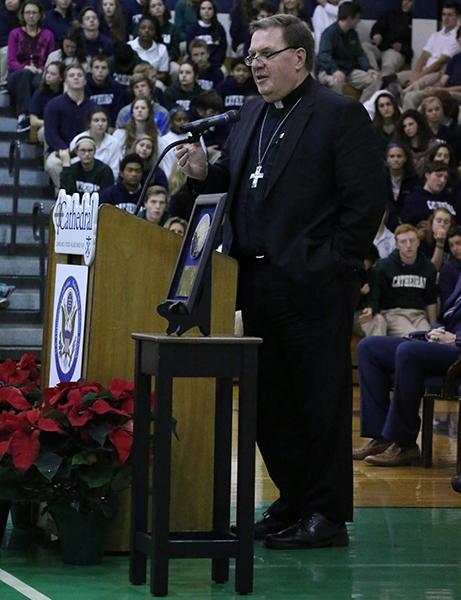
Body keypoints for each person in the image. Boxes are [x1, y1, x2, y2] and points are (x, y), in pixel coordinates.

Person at [176, 14, 385, 549]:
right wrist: (205, 172)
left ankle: (327, 515)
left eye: (267, 54)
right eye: (251, 55)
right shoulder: (250, 114)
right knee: (270, 404)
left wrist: (335, 265)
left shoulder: (339, 115)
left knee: (319, 401)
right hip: (256, 281)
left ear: (299, 57)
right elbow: (241, 184)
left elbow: (366, 201)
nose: (256, 64)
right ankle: (293, 500)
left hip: (314, 284)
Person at [353, 273, 461, 467]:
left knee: (408, 351)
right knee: (368, 347)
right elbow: (446, 315)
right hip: (443, 341)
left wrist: (455, 340)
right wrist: (436, 329)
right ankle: (381, 437)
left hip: (457, 350)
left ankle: (405, 443)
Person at [359, 224, 438, 338]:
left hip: (419, 315)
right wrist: (371, 307)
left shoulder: (428, 267)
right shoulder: (384, 266)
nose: (408, 245)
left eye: (412, 240)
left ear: (418, 242)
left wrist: (434, 325)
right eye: (403, 242)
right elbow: (375, 293)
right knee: (414, 337)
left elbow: (431, 299)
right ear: (396, 244)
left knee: (431, 339)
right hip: (393, 313)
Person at [398, 2, 460, 111]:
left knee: (416, 87)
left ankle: (410, 117)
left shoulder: (456, 37)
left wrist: (418, 77)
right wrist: (415, 73)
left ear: (457, 17)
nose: (446, 18)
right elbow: (423, 56)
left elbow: (440, 63)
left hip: (436, 72)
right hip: (425, 71)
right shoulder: (436, 35)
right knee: (394, 78)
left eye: (450, 15)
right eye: (444, 14)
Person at [317, 1, 381, 103]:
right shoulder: (330, 33)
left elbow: (359, 54)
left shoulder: (353, 34)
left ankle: (362, 110)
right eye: (357, 18)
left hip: (348, 70)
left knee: (375, 80)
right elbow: (323, 55)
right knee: (336, 83)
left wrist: (368, 68)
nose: (358, 21)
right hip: (329, 71)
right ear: (349, 18)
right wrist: (335, 70)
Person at [44, 63, 96, 189]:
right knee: (51, 164)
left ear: (85, 80)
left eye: (79, 75)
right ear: (65, 80)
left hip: (88, 149)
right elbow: (50, 133)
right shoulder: (54, 104)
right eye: (72, 75)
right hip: (63, 150)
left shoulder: (93, 107)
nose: (76, 78)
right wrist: (64, 150)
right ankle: (65, 193)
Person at [7, 0, 55, 132]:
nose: (31, 16)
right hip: (17, 75)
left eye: (34, 12)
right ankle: (23, 115)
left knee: (41, 81)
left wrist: (41, 70)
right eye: (27, 12)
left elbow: (51, 59)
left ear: (40, 15)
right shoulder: (14, 34)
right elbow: (11, 61)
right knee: (26, 74)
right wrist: (25, 68)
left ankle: (40, 117)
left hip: (40, 73)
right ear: (22, 15)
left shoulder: (48, 34)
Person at [362, 0, 413, 77]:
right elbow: (377, 26)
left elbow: (415, 48)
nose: (405, 3)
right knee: (364, 46)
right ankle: (374, 74)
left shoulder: (416, 21)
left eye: (410, 1)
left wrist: (402, 47)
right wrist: (377, 34)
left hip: (396, 52)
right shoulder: (391, 14)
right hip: (381, 47)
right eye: (404, 0)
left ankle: (382, 80)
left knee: (388, 66)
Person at [69, 106, 120, 177]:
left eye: (104, 120)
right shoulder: (78, 139)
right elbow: (73, 166)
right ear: (89, 123)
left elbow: (114, 170)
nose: (100, 124)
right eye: (96, 120)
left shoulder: (114, 142)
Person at [127, 15, 169, 83]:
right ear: (138, 30)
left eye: (151, 28)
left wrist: (149, 78)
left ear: (155, 32)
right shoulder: (129, 46)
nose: (147, 30)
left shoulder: (162, 49)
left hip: (153, 82)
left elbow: (164, 75)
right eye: (143, 28)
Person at [439, 225, 461, 305]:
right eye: (451, 245)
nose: (455, 249)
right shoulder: (447, 270)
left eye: (458, 243)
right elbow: (447, 302)